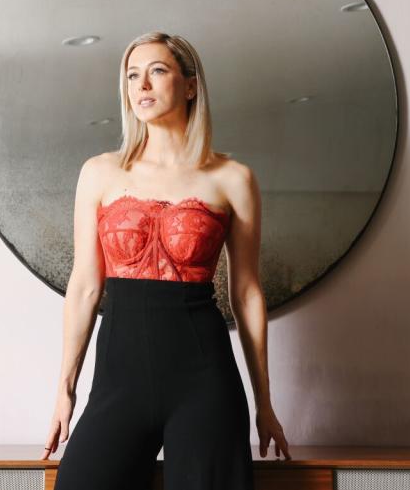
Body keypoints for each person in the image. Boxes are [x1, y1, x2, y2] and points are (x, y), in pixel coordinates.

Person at [41, 30, 291, 489]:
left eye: (157, 71)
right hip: (118, 381)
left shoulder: (234, 179)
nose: (142, 86)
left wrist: (265, 402)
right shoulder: (100, 172)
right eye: (132, 76)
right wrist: (65, 391)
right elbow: (84, 287)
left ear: (190, 84)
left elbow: (247, 292)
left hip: (204, 381)